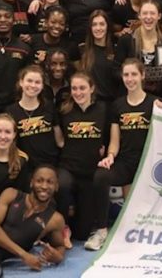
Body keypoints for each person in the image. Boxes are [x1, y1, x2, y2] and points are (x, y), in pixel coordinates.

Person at [87, 59, 159, 250]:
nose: (130, 79)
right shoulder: (117, 106)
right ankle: (102, 230)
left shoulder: (155, 103)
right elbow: (114, 140)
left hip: (150, 164)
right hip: (126, 164)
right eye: (126, 75)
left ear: (142, 75)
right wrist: (110, 156)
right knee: (101, 175)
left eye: (134, 74)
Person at [55, 73, 109, 243]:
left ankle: (76, 226)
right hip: (68, 168)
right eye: (74, 88)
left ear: (91, 88)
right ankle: (60, 228)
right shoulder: (64, 110)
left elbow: (108, 138)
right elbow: (59, 140)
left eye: (82, 88)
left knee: (82, 233)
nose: (78, 92)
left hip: (90, 172)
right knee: (62, 185)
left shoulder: (103, 109)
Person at [5, 66, 60, 169]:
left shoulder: (49, 107)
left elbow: (59, 140)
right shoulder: (10, 111)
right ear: (21, 82)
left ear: (43, 86)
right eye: (29, 81)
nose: (33, 85)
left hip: (50, 165)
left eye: (37, 82)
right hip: (25, 166)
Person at [115, 0, 162, 96]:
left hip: (159, 97)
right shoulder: (126, 40)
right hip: (131, 96)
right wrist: (133, 77)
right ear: (139, 15)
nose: (148, 17)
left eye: (152, 13)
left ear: (159, 16)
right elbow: (116, 71)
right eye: (145, 13)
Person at [78, 10, 121, 102]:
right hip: (92, 103)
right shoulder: (83, 50)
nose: (98, 28)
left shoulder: (116, 50)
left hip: (113, 102)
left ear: (107, 26)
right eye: (94, 25)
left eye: (102, 24)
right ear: (90, 28)